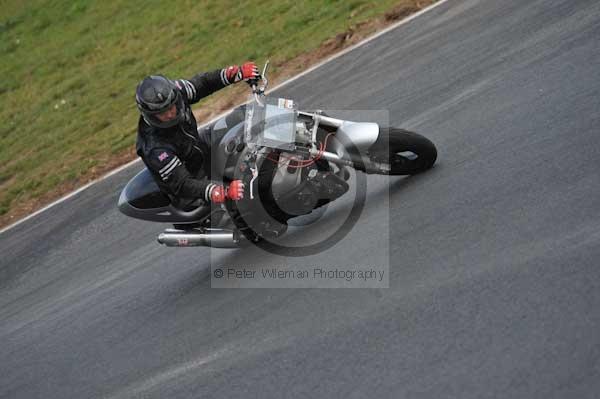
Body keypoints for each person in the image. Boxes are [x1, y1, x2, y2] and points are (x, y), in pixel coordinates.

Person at [135, 62, 348, 239]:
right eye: (164, 113)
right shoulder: (154, 147)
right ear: (151, 115)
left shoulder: (177, 92)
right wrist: (222, 191)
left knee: (246, 115)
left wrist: (234, 73)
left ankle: (307, 137)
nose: (171, 113)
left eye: (172, 106)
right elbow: (183, 184)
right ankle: (251, 224)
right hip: (194, 178)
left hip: (199, 146)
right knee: (246, 184)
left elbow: (203, 83)